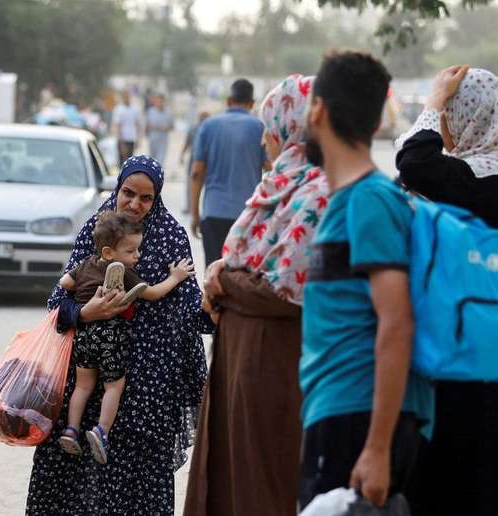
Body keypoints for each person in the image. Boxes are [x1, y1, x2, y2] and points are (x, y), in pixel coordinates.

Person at [27, 155, 212, 515]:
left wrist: (222, 309)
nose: (135, 204)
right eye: (128, 193)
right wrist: (83, 313)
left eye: (146, 198)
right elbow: (57, 300)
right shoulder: (99, 229)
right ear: (118, 188)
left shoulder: (172, 237)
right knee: (75, 479)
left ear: (156, 198)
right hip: (89, 372)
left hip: (147, 387)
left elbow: (189, 309)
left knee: (136, 486)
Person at [184, 74, 330, 516]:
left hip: (277, 367)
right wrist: (221, 276)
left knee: (263, 483)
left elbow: (286, 289)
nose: (266, 138)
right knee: (233, 478)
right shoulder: (280, 185)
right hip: (243, 362)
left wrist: (223, 281)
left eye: (272, 126)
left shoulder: (319, 190)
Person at [298, 51, 433, 509]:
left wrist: (376, 449)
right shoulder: (354, 200)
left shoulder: (369, 200)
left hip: (358, 419)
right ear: (376, 124)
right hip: (341, 412)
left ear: (318, 110)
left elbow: (396, 323)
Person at [395, 66, 498, 516]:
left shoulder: (466, 182)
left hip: (458, 355)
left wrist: (432, 100)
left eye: (450, 115)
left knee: (446, 475)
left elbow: (411, 160)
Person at [57, 211, 195, 464]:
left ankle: (71, 430)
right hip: (111, 337)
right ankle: (101, 430)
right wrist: (175, 277)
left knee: (83, 386)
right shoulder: (121, 272)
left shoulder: (86, 263)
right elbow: (151, 293)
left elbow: (65, 283)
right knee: (114, 386)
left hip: (85, 337)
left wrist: (83, 291)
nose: (137, 256)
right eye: (131, 251)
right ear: (110, 254)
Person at [190, 78, 270, 266]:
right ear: (252, 103)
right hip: (247, 216)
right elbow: (271, 168)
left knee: (213, 275)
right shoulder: (259, 127)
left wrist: (195, 214)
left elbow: (196, 173)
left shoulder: (208, 126)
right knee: (242, 278)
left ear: (228, 101)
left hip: (213, 212)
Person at [180, 111, 209, 214]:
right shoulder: (194, 129)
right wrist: (182, 155)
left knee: (195, 184)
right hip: (196, 160)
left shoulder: (210, 130)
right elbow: (187, 143)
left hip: (203, 162)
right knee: (191, 184)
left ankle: (194, 208)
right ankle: (191, 208)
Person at [112, 91, 143, 167]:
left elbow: (138, 124)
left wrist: (138, 138)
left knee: (130, 161)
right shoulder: (119, 109)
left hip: (131, 138)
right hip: (122, 139)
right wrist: (121, 141)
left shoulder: (135, 109)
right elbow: (117, 125)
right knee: (122, 161)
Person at [145, 93, 173, 166]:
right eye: (157, 101)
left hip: (163, 141)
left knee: (160, 161)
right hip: (153, 140)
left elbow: (171, 126)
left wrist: (164, 127)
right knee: (152, 161)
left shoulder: (168, 112)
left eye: (161, 101)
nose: (159, 103)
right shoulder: (150, 112)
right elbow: (147, 125)